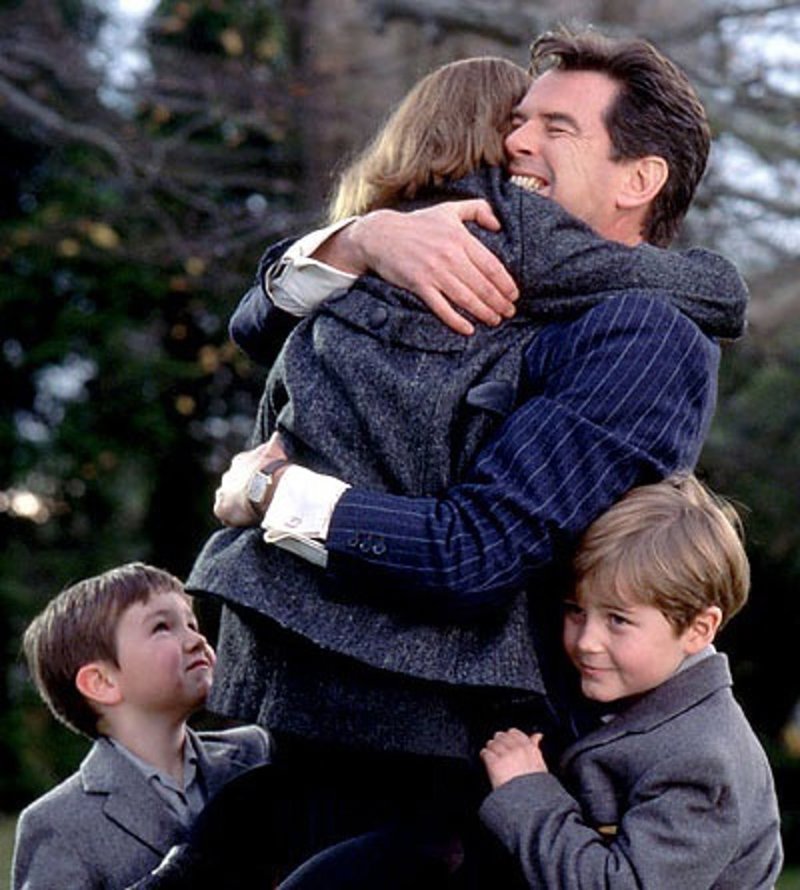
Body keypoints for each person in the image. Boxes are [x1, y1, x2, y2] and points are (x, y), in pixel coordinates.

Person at [189, 29, 748, 881]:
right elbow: (260, 325)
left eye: (556, 128)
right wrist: (360, 241)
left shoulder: (644, 335)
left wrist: (277, 498)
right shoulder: (482, 271)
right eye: (519, 120)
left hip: (463, 767)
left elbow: (475, 551)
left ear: (639, 180)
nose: (515, 141)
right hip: (318, 723)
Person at [480, 475, 784, 887]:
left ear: (699, 628)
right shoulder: (639, 704)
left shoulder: (701, 761)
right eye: (576, 610)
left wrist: (526, 791)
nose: (586, 641)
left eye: (618, 620)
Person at [11, 562, 272, 890]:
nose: (196, 640)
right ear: (102, 682)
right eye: (162, 627)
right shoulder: (57, 823)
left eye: (191, 624)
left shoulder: (255, 752)